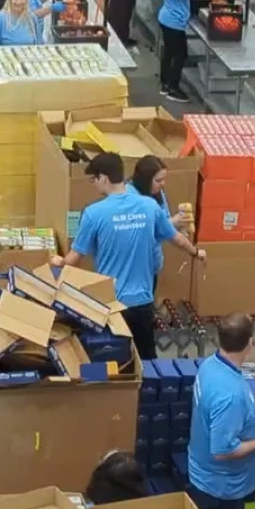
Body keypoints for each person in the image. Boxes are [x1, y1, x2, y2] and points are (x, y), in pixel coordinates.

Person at [53, 153, 206, 362]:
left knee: (114, 360)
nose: (94, 185)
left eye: (94, 180)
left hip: (112, 303)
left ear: (104, 178)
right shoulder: (149, 206)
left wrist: (57, 262)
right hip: (143, 301)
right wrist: (196, 252)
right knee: (147, 361)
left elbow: (74, 258)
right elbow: (177, 238)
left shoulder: (93, 213)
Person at [185, 314, 255, 509]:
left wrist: (252, 408)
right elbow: (222, 451)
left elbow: (213, 407)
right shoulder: (231, 395)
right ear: (250, 343)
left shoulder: (210, 366)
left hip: (204, 474)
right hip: (221, 489)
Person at [156, 0, 203, 102]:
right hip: (173, 22)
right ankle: (173, 88)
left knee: (169, 53)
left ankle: (165, 83)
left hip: (168, 18)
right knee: (181, 55)